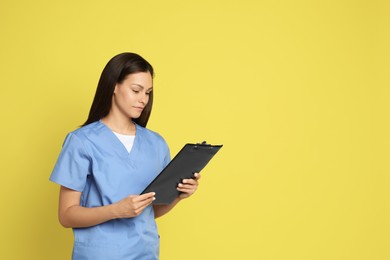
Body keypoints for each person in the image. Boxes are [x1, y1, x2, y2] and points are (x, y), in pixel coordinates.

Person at [50, 52, 200, 260]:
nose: (143, 100)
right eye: (136, 90)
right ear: (114, 86)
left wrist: (179, 197)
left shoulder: (156, 144)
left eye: (148, 92)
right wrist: (116, 210)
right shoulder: (82, 141)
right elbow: (66, 215)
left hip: (145, 253)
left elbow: (148, 212)